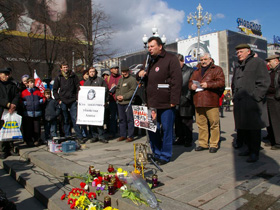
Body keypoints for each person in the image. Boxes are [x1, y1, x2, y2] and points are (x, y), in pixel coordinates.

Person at [137, 36, 182, 165]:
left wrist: (174, 100)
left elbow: (177, 81)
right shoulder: (148, 60)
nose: (149, 49)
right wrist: (139, 74)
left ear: (160, 46)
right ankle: (156, 152)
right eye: (148, 46)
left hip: (166, 102)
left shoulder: (171, 59)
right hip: (151, 102)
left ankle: (165, 155)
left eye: (152, 46)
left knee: (167, 129)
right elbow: (143, 77)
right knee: (152, 129)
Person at [232, 44, 270, 162]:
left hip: (253, 103)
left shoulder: (257, 62)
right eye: (237, 53)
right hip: (240, 103)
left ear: (249, 51)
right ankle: (249, 149)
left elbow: (264, 82)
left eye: (241, 52)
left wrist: (256, 97)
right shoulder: (239, 65)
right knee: (245, 128)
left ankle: (255, 152)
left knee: (254, 129)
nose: (239, 54)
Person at [189, 52, 225, 153]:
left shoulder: (217, 69)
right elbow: (190, 82)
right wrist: (191, 86)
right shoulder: (196, 71)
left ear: (210, 59)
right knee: (201, 124)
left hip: (211, 101)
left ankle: (214, 144)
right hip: (199, 101)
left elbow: (221, 82)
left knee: (214, 123)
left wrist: (208, 84)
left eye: (205, 59)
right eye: (201, 60)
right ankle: (203, 143)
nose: (203, 61)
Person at [52, 62, 84, 143]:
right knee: (65, 119)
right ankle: (67, 135)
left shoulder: (73, 76)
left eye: (67, 67)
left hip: (73, 100)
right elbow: (55, 90)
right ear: (61, 68)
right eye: (64, 67)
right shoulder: (59, 77)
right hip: (63, 101)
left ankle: (79, 136)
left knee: (75, 118)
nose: (66, 69)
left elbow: (78, 87)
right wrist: (58, 99)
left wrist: (77, 98)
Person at [174, 54, 194, 147]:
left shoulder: (190, 71)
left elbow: (191, 85)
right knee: (177, 121)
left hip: (186, 99)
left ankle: (188, 139)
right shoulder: (174, 71)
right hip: (176, 100)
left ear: (182, 61)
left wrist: (187, 97)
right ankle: (180, 138)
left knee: (187, 121)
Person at [84, 66, 109, 143]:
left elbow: (106, 91)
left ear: (95, 72)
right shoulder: (87, 82)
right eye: (90, 72)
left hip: (99, 105)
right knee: (92, 121)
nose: (92, 73)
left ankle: (101, 136)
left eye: (93, 71)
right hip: (90, 106)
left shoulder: (100, 80)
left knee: (99, 121)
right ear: (88, 73)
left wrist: (106, 101)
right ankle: (94, 136)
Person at [0, 68, 20, 159]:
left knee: (11, 129)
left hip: (11, 110)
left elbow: (17, 95)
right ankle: (2, 150)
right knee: (2, 130)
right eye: (5, 74)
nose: (7, 76)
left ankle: (11, 148)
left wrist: (14, 104)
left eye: (8, 75)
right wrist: (7, 104)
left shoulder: (12, 85)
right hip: (1, 110)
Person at [20, 78, 45, 147]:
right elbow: (20, 100)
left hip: (37, 112)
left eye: (33, 83)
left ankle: (37, 140)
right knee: (28, 128)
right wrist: (24, 103)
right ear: (27, 84)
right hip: (28, 113)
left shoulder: (37, 91)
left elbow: (43, 97)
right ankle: (29, 140)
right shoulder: (24, 92)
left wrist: (41, 101)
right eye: (31, 83)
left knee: (37, 127)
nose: (32, 84)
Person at [115, 68, 137, 142]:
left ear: (128, 71)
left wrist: (124, 97)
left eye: (125, 72)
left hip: (128, 102)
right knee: (121, 119)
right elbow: (117, 89)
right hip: (120, 103)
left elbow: (133, 91)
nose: (124, 73)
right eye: (122, 72)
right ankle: (123, 135)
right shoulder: (120, 80)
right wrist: (117, 96)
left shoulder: (132, 80)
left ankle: (130, 136)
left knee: (129, 119)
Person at [265, 54, 280, 150]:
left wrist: (277, 95)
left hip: (276, 99)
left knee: (276, 121)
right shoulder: (271, 72)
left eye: (270, 61)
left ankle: (278, 142)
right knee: (269, 121)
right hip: (268, 98)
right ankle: (272, 139)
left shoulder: (278, 71)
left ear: (276, 61)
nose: (268, 63)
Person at [105, 64, 122, 138]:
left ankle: (122, 133)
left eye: (117, 68)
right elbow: (105, 89)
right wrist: (110, 90)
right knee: (113, 117)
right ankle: (112, 132)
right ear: (111, 70)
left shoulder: (121, 77)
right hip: (112, 100)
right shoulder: (107, 79)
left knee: (122, 117)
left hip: (121, 100)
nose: (116, 70)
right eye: (115, 68)